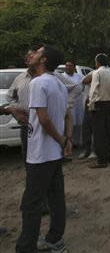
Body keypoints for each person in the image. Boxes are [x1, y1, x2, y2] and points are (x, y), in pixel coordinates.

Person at [15, 45, 71, 253]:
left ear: (44, 60)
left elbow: (45, 120)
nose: (31, 55)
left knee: (31, 204)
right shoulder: (59, 84)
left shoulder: (38, 82)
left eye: (37, 53)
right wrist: (67, 139)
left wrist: (61, 140)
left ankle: (26, 247)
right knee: (56, 199)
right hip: (53, 155)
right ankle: (55, 240)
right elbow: (65, 115)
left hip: (40, 154)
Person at [88, 53, 110, 169]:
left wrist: (91, 105)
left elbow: (93, 91)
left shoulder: (97, 73)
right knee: (108, 131)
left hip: (99, 105)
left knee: (99, 133)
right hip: (109, 104)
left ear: (97, 62)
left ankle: (101, 160)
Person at [62, 60, 84, 148]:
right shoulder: (62, 77)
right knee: (66, 123)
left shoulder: (80, 77)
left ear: (74, 67)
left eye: (70, 66)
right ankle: (66, 142)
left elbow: (83, 88)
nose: (68, 67)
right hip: (66, 103)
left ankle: (77, 142)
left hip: (78, 103)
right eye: (66, 65)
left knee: (78, 124)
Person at [78, 72, 96, 160]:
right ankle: (86, 150)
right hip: (88, 102)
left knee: (95, 128)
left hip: (98, 102)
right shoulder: (94, 72)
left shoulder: (109, 72)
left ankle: (94, 151)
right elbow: (85, 80)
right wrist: (95, 75)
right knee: (86, 127)